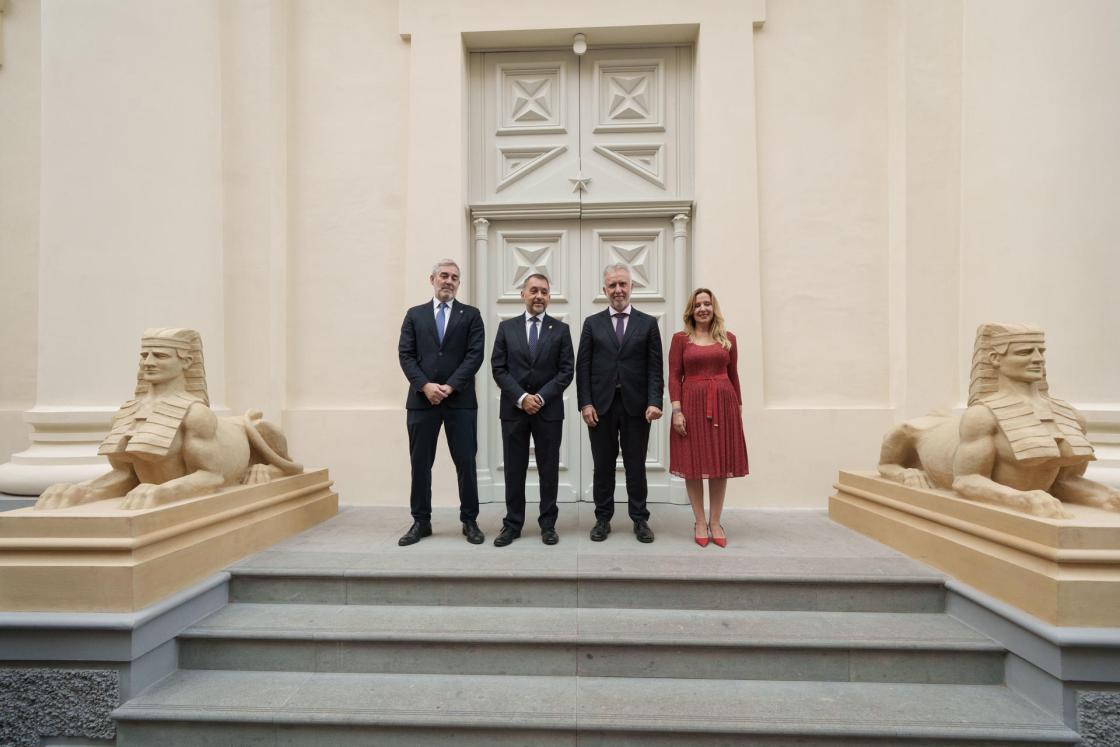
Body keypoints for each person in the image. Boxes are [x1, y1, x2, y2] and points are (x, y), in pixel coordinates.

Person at [878, 322, 1118, 516]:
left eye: (1040, 351)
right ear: (995, 359)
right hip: (935, 439)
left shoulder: (1073, 418)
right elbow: (966, 480)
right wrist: (1019, 498)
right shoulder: (982, 418)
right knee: (906, 430)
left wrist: (1108, 496)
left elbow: (1065, 482)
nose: (1037, 359)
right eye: (1025, 352)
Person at [397, 259, 486, 545]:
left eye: (454, 277)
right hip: (422, 402)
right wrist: (424, 385)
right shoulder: (415, 315)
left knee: (466, 462)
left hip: (459, 402)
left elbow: (475, 355)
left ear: (459, 283)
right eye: (444, 276)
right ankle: (420, 522)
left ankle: (469, 520)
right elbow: (406, 354)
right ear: (432, 279)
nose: (449, 281)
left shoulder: (471, 315)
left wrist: (449, 386)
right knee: (420, 463)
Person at [576, 263, 664, 543]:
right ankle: (603, 519)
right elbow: (583, 367)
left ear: (631, 287)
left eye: (622, 284)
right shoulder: (592, 323)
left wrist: (654, 401)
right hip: (601, 407)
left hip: (637, 407)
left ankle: (640, 520)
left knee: (636, 465)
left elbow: (655, 368)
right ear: (605, 290)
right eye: (612, 285)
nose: (618, 290)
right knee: (602, 465)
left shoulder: (648, 324)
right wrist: (585, 403)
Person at [490, 273, 574, 546]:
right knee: (514, 468)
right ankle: (512, 524)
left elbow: (566, 371)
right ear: (523, 295)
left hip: (548, 412)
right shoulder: (507, 329)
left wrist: (539, 398)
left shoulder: (560, 330)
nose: (539, 296)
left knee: (548, 469)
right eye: (534, 291)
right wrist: (521, 397)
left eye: (545, 292)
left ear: (549, 297)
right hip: (514, 411)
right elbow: (498, 368)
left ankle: (548, 525)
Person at [668, 288, 749, 547]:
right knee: (693, 464)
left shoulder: (729, 339)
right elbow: (673, 376)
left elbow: (734, 375)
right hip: (691, 404)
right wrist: (677, 411)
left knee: (719, 464)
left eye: (707, 304)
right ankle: (700, 520)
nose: (702, 308)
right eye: (697, 305)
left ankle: (716, 521)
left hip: (723, 404)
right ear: (691, 310)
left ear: (714, 308)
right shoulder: (681, 339)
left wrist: (737, 406)